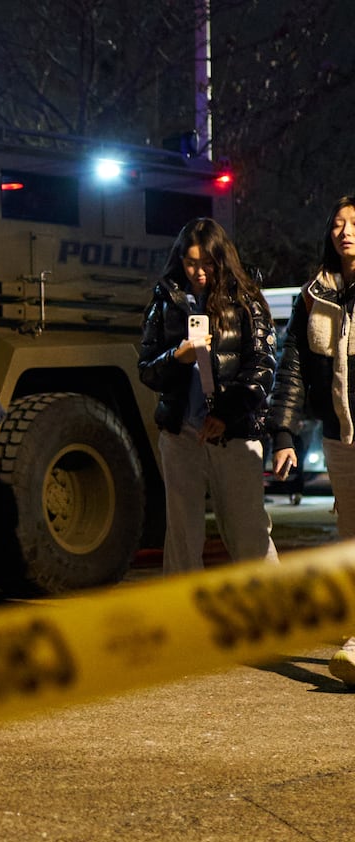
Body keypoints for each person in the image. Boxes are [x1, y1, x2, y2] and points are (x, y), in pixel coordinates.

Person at [138, 217, 278, 574]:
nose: (198, 272)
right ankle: (185, 620)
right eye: (190, 263)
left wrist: (226, 414)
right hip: (181, 432)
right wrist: (177, 356)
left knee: (249, 534)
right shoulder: (166, 299)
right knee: (183, 537)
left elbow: (262, 366)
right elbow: (147, 369)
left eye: (206, 264)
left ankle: (274, 615)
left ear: (221, 259)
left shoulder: (246, 298)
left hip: (234, 434)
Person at [268, 196, 355, 685]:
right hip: (339, 437)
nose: (345, 231)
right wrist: (283, 433)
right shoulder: (313, 296)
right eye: (338, 224)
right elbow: (292, 370)